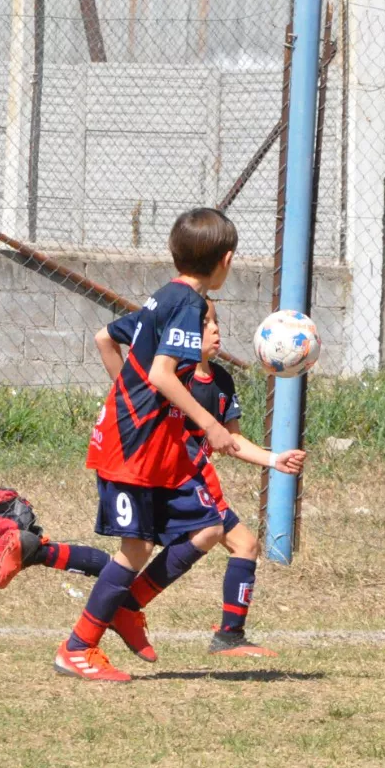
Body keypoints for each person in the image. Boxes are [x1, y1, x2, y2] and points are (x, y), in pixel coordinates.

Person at [0, 300, 305, 659]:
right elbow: (118, 361)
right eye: (205, 323)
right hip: (169, 474)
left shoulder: (221, 380)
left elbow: (230, 440)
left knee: (216, 546)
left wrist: (273, 459)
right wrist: (131, 401)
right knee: (152, 550)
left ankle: (47, 555)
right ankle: (130, 610)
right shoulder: (173, 374)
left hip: (189, 476)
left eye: (216, 322)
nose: (215, 329)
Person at [53, 207, 239, 683]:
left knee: (209, 527)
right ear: (227, 260)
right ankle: (78, 647)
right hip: (133, 447)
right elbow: (160, 374)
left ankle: (128, 609)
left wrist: (131, 400)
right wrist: (210, 425)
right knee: (134, 549)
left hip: (150, 443)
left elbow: (105, 337)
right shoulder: (189, 305)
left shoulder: (165, 296)